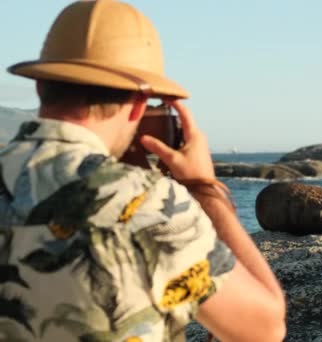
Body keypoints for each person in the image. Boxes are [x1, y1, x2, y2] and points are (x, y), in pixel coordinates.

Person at [0, 1, 286, 341]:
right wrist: (203, 189)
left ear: (41, 86)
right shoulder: (148, 203)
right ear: (138, 104)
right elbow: (263, 329)